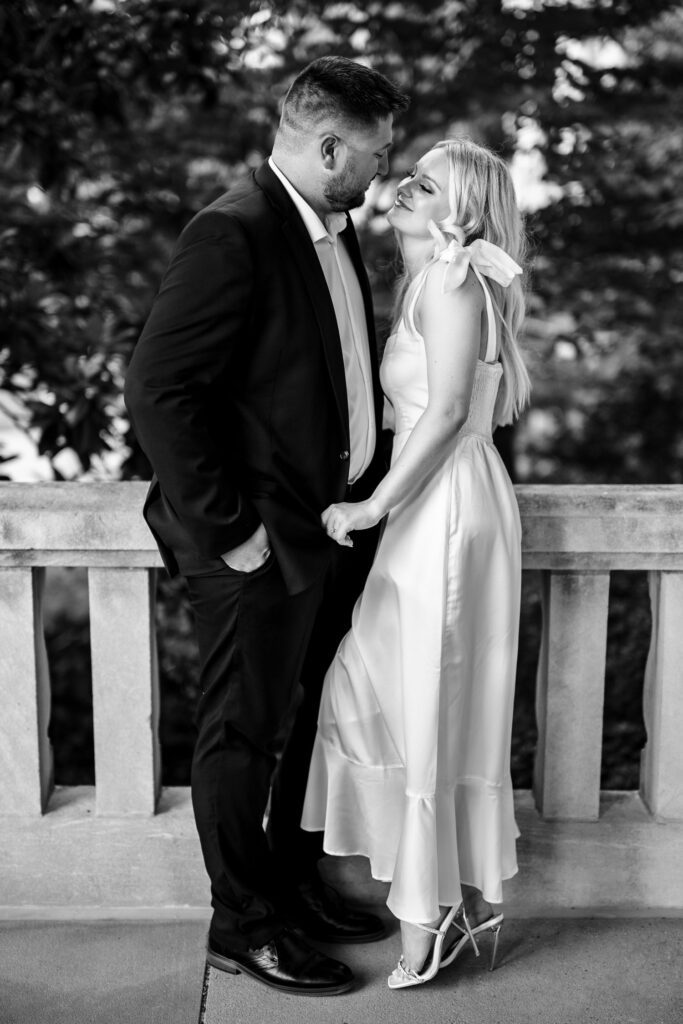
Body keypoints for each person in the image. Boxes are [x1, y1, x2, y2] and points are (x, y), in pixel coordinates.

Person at [124, 56, 409, 997]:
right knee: (240, 733)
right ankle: (241, 926)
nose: (383, 169)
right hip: (256, 544)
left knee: (312, 717)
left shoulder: (331, 223)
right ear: (328, 146)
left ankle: (288, 885)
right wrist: (230, 532)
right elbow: (160, 392)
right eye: (373, 152)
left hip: (329, 530)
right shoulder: (231, 231)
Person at [301, 137, 530, 989]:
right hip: (432, 504)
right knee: (369, 686)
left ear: (458, 216)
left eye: (423, 184)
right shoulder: (427, 282)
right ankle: (439, 901)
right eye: (408, 175)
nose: (401, 186)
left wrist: (368, 506)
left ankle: (423, 923)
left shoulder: (452, 278)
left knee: (427, 696)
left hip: (442, 507)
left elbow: (441, 419)